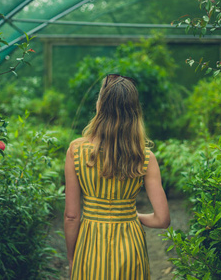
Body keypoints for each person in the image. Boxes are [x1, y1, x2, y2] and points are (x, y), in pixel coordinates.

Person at [64, 74, 170, 280]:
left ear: (100, 106)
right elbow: (162, 220)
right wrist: (130, 216)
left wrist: (71, 256)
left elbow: (71, 216)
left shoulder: (76, 151)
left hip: (90, 245)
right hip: (131, 247)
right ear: (134, 112)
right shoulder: (145, 157)